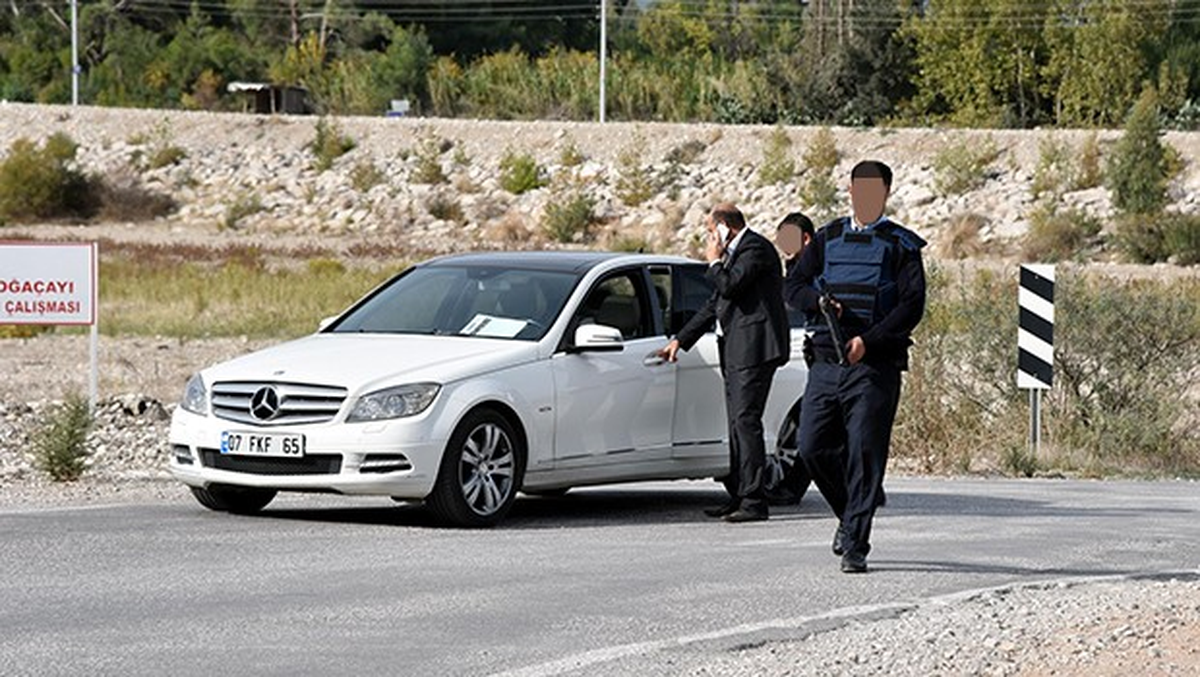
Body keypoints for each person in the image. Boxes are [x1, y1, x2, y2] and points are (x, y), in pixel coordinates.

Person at [784, 161, 927, 572]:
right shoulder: (827, 237)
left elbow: (911, 306)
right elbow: (792, 286)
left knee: (865, 452)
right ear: (849, 190)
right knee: (811, 447)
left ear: (885, 193)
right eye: (859, 189)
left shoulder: (901, 245)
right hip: (826, 363)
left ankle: (856, 546)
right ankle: (851, 515)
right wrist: (818, 302)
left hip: (873, 366)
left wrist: (870, 341)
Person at [659, 203, 790, 523]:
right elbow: (715, 303)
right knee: (736, 423)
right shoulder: (735, 255)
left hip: (754, 350)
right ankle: (740, 495)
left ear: (724, 228)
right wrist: (681, 340)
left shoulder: (755, 249)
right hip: (735, 350)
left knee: (746, 421)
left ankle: (755, 500)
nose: (707, 238)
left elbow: (729, 284)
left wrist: (714, 259)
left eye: (709, 231)